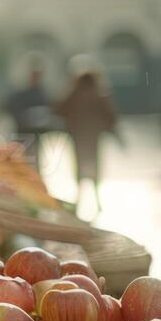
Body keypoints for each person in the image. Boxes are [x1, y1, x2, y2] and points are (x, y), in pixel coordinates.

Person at [57, 66, 120, 216]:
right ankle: (96, 201)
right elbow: (111, 116)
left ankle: (79, 200)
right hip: (93, 138)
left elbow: (59, 109)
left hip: (78, 137)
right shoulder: (99, 95)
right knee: (94, 167)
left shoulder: (74, 94)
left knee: (79, 166)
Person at [5, 61, 53, 167]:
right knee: (21, 161)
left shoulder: (41, 93)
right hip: (23, 132)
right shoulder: (21, 93)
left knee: (34, 161)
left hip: (35, 133)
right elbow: (12, 108)